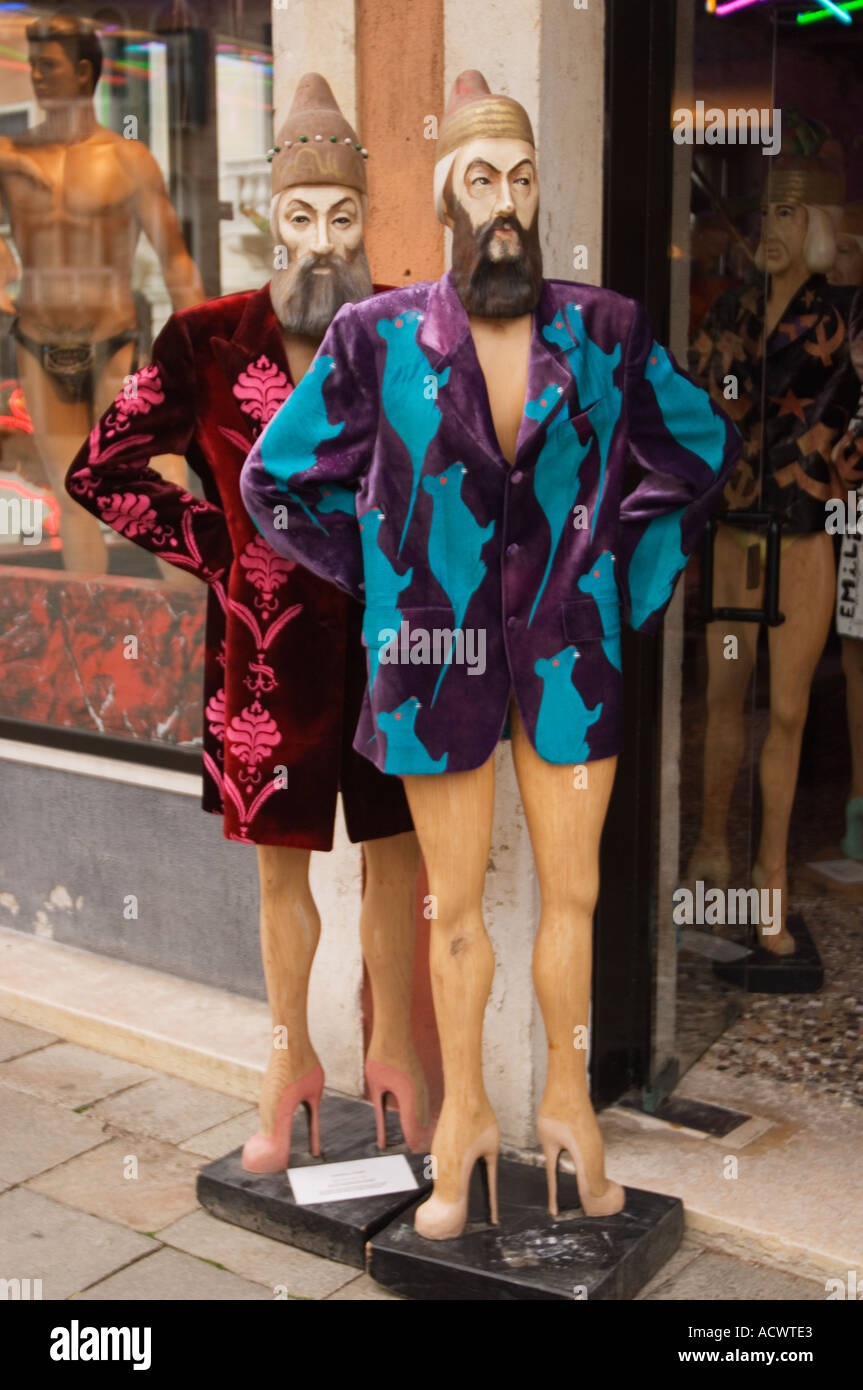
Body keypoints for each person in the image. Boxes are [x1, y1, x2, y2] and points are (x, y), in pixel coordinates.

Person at [241, 70, 739, 1238]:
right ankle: (462, 1123)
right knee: (451, 909)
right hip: (432, 661)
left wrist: (616, 569)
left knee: (571, 895)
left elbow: (696, 449)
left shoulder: (605, 330)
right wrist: (381, 578)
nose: (504, 201)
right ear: (443, 197)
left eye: (520, 177)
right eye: (481, 180)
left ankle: (568, 1109)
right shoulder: (375, 337)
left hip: (568, 654)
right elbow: (277, 474)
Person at [65, 73, 428, 1171]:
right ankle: (289, 1069)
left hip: (391, 657)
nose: (323, 239)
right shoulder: (206, 339)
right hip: (263, 665)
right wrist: (214, 545)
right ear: (271, 215)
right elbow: (99, 469)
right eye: (301, 214)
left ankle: (398, 1060)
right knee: (281, 881)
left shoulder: (411, 333)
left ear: (370, 218)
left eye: (343, 215)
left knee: (398, 865)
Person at [1, 14, 204, 572]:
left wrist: (204, 349)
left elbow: (176, 260)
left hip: (113, 341)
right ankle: (89, 644)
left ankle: (186, 632)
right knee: (72, 499)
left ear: (83, 72)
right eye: (32, 64)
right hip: (39, 343)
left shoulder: (126, 159)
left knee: (156, 490)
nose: (36, 76)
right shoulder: (13, 157)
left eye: (48, 66)